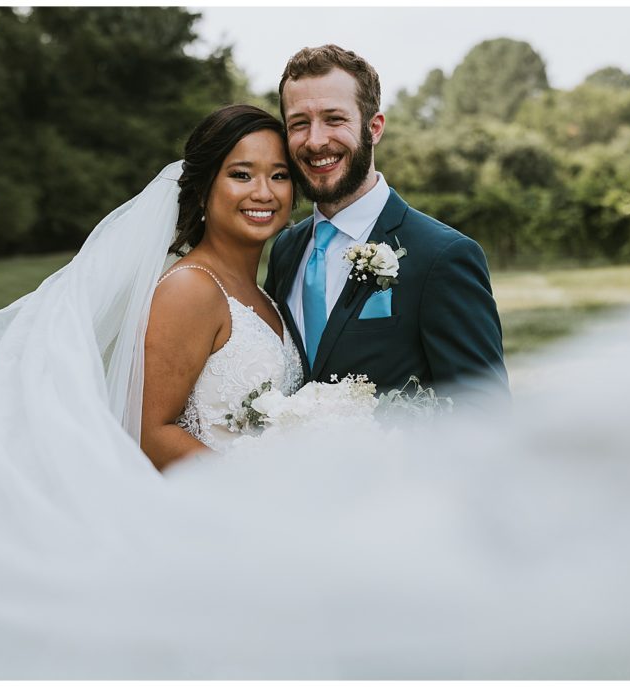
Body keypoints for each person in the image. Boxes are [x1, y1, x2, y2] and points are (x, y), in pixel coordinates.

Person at [264, 44, 510, 409]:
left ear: (374, 127)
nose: (315, 140)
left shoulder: (442, 257)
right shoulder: (285, 249)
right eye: (300, 123)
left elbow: (484, 416)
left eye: (334, 119)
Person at [140, 105, 303, 469]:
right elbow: (149, 433)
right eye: (241, 175)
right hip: (215, 510)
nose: (263, 193)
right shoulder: (190, 289)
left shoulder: (262, 296)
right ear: (202, 190)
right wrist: (253, 494)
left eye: (279, 175)